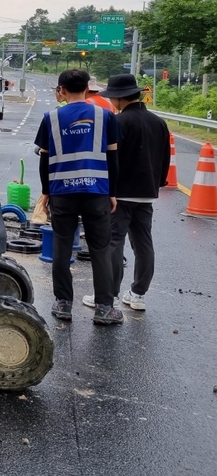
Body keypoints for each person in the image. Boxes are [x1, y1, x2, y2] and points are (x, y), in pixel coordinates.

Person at [35, 69, 123, 324]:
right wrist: (112, 192)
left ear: (61, 90)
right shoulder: (106, 116)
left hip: (63, 192)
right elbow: (113, 159)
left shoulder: (51, 118)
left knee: (62, 246)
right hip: (97, 192)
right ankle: (104, 308)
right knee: (100, 248)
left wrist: (46, 192)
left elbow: (44, 160)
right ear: (88, 88)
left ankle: (63, 304)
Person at [87, 73, 170, 312]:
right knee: (143, 243)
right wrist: (158, 183)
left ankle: (107, 295)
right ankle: (138, 294)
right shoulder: (159, 122)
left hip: (119, 194)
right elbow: (165, 158)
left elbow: (110, 159)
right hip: (147, 193)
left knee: (113, 242)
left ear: (119, 98)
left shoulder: (119, 122)